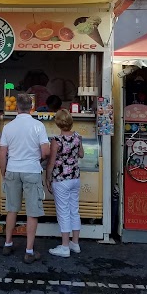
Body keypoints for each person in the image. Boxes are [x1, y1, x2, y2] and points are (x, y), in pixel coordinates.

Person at [0, 93, 50, 263]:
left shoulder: (8, 127)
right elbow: (45, 152)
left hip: (12, 169)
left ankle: (8, 244)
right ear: (32, 107)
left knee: (12, 209)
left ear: (16, 107)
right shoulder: (38, 126)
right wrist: (37, 160)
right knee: (32, 212)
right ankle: (29, 251)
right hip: (31, 171)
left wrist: (4, 172)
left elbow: (2, 153)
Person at [46, 109, 84, 258]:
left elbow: (51, 162)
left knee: (63, 212)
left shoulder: (56, 141)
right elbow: (81, 154)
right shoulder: (77, 137)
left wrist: (47, 179)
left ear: (58, 123)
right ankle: (75, 243)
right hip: (75, 178)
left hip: (61, 179)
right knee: (74, 210)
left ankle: (65, 246)